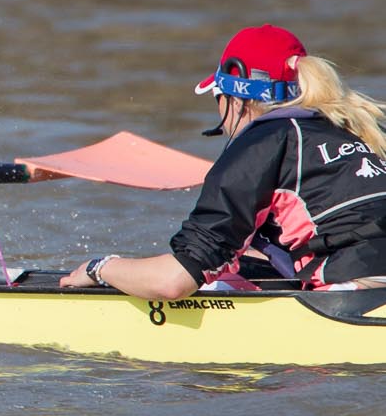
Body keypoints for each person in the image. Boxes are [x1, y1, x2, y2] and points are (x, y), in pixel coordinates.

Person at [62, 25, 386, 296]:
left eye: (218, 98)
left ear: (235, 97)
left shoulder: (263, 143)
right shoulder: (364, 127)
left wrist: (101, 268)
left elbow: (173, 282)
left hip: (357, 297)